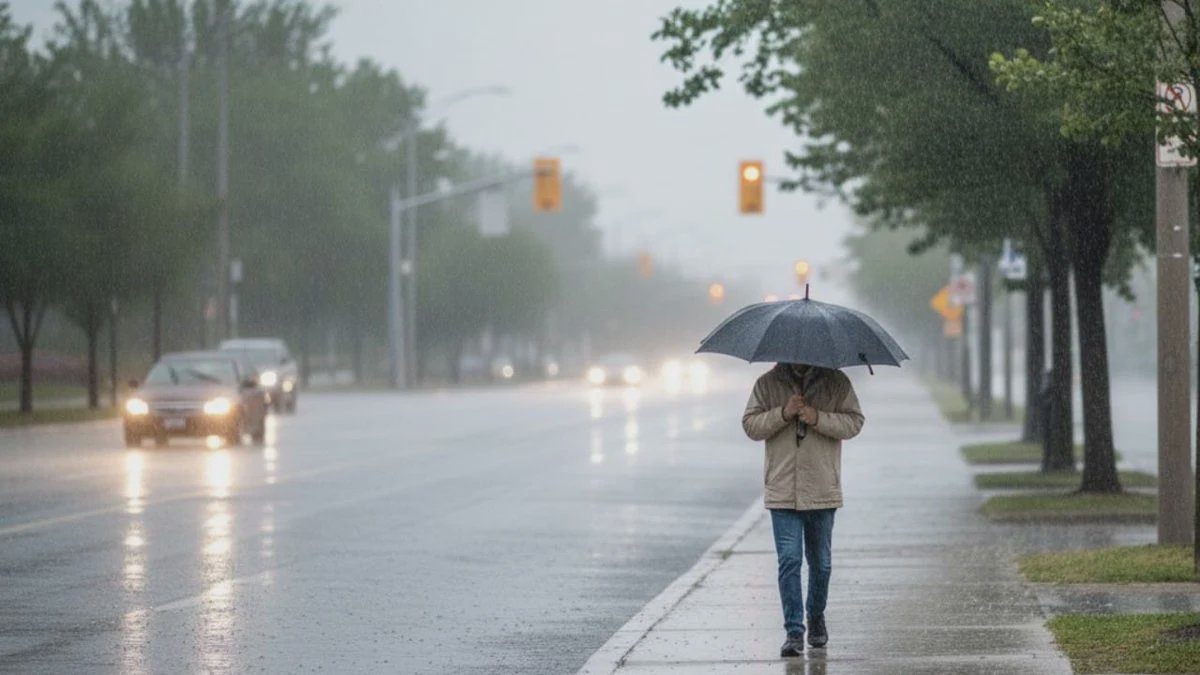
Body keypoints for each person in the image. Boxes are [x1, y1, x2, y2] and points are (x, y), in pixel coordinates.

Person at [742, 361, 865, 658]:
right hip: (782, 489)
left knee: (821, 563)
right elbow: (750, 425)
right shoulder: (766, 384)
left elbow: (854, 422)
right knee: (789, 561)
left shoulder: (836, 382)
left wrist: (816, 417)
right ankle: (794, 631)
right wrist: (783, 413)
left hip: (822, 487)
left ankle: (815, 615)